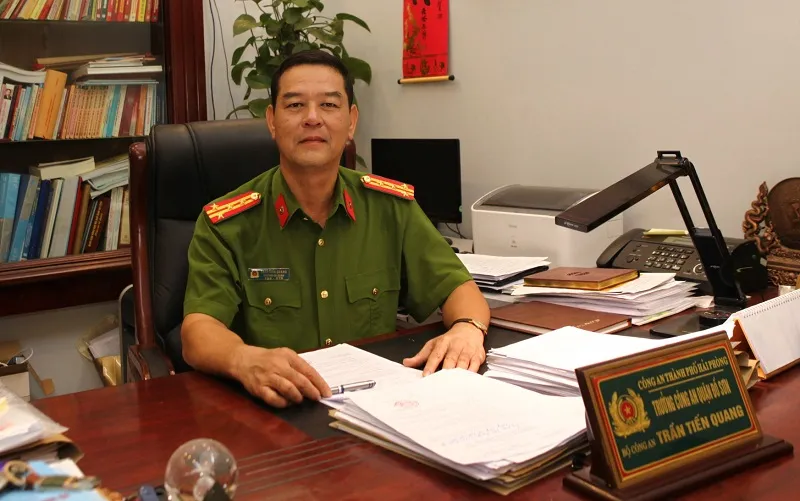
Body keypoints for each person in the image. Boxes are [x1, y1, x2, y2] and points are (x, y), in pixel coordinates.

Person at [181, 50, 490, 408]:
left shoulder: (390, 208)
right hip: (277, 409)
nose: (312, 118)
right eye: (295, 105)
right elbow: (197, 331)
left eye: (328, 105)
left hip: (377, 406)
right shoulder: (228, 223)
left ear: (351, 121)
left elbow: (460, 289)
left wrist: (467, 329)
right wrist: (244, 360)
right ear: (272, 121)